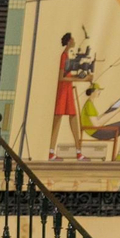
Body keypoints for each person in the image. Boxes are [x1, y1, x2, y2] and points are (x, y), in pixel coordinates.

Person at [80, 82, 120, 161]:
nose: (99, 92)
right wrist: (118, 110)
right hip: (97, 132)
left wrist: (109, 110)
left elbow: (96, 119)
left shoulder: (89, 103)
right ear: (93, 91)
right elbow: (97, 124)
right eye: (98, 90)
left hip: (95, 131)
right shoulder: (89, 105)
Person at [48, 31, 85, 161]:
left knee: (73, 118)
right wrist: (80, 80)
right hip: (63, 91)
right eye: (73, 40)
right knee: (57, 120)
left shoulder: (67, 56)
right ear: (69, 42)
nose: (74, 41)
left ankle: (78, 152)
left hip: (67, 90)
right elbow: (61, 77)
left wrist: (79, 77)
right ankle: (51, 152)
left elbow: (67, 76)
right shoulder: (63, 56)